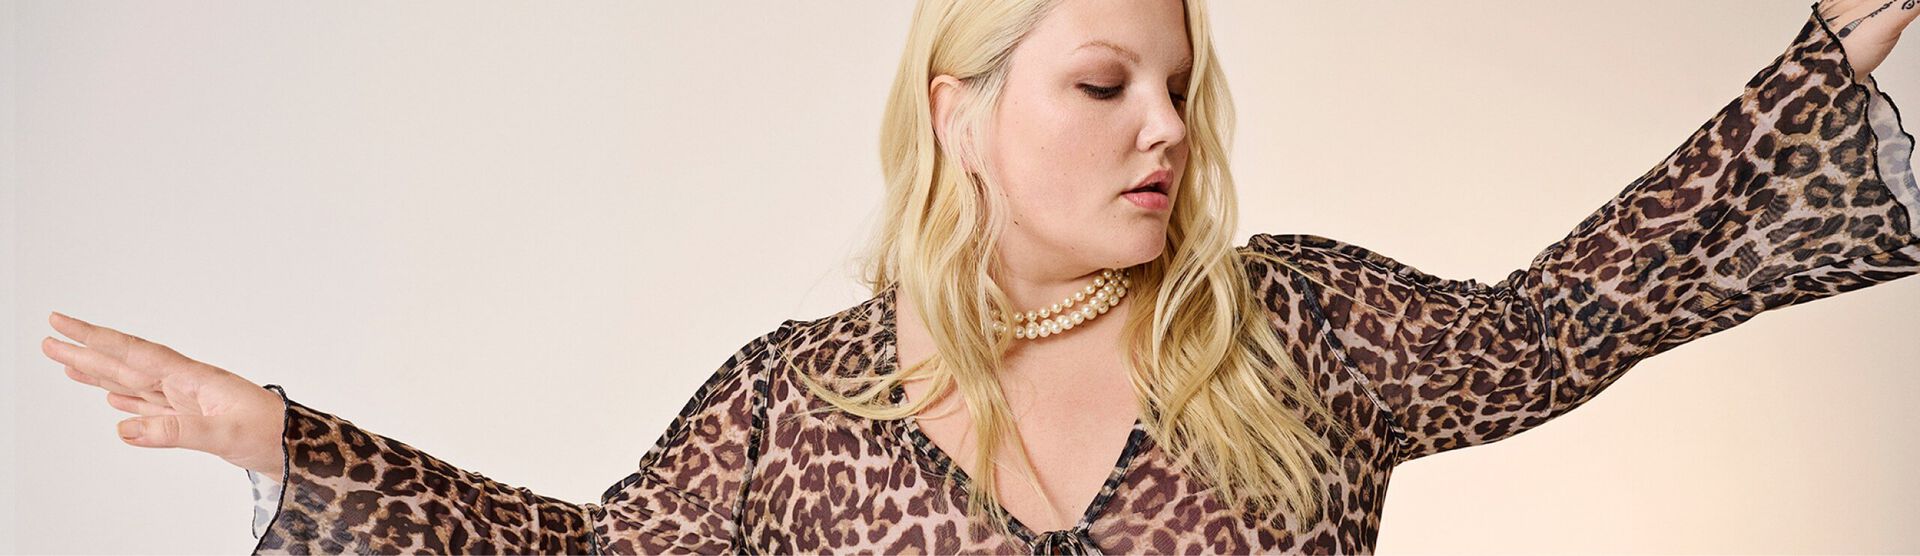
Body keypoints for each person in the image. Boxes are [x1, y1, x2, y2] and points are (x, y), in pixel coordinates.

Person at [41, 0, 1920, 554]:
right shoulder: (804, 402)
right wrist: (287, 440)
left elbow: (1558, 326)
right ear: (960, 111)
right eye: (1105, 86)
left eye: (1178, 85)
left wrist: (1815, 75)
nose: (1165, 128)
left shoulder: (1294, 330)